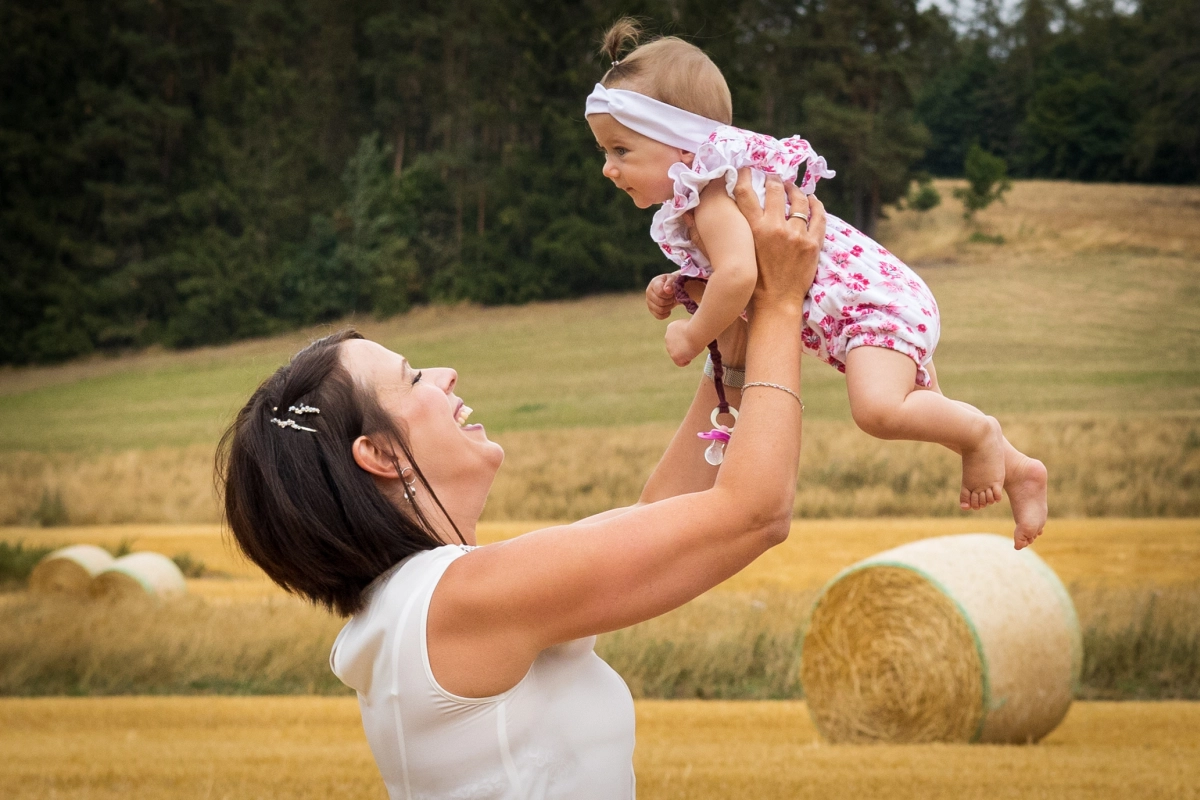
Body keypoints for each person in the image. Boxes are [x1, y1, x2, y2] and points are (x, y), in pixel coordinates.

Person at [218, 170, 822, 799]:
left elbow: (666, 515)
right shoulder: (457, 600)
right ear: (379, 453)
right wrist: (780, 302)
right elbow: (753, 514)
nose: (446, 374)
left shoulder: (426, 602)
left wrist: (730, 359)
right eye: (413, 376)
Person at [585, 19, 1047, 549]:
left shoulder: (713, 197)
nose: (608, 168)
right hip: (876, 300)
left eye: (620, 151)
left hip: (870, 309)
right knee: (926, 409)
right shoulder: (715, 197)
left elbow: (738, 276)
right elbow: (731, 271)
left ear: (683, 145)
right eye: (604, 152)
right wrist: (676, 283)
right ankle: (1020, 470)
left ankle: (983, 434)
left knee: (878, 411)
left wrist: (692, 337)